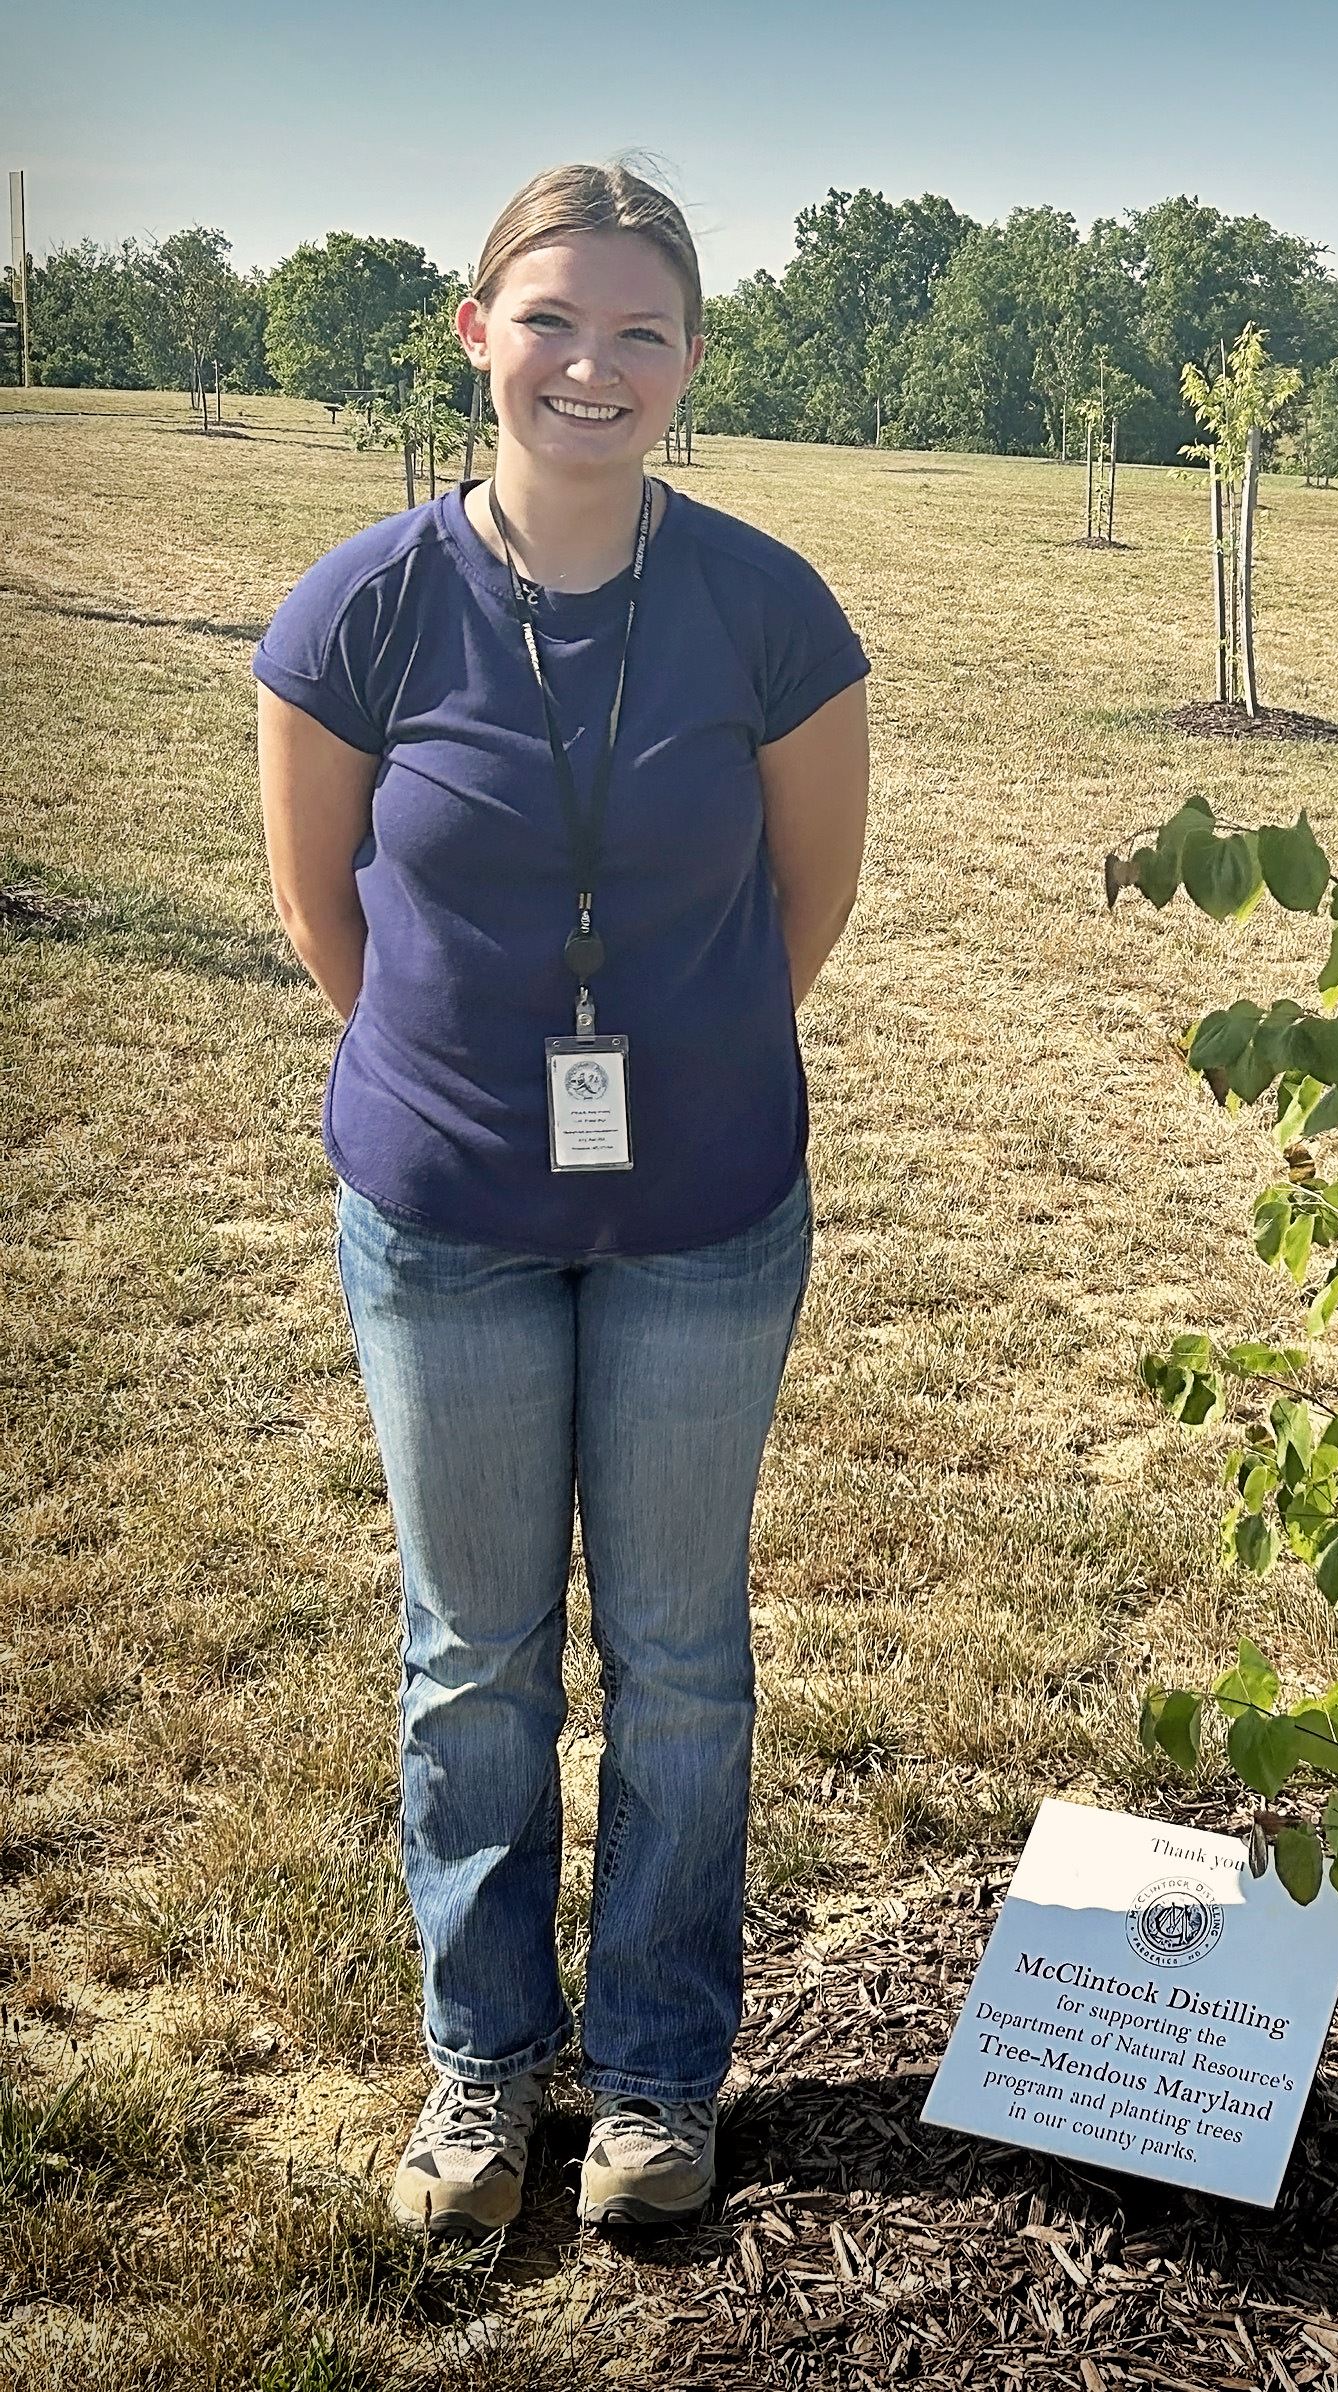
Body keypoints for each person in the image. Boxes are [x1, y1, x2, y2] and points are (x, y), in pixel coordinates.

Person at [252, 161, 870, 2235]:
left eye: (641, 332)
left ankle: (663, 2073)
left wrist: (667, 1072)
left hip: (702, 1207)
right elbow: (324, 916)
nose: (592, 366)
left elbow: (808, 907)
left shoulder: (770, 608)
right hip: (443, 1210)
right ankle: (484, 2068)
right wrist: (468, 1096)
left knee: (682, 1655)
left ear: (689, 363)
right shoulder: (357, 608)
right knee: (473, 1656)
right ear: (475, 335)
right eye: (553, 321)